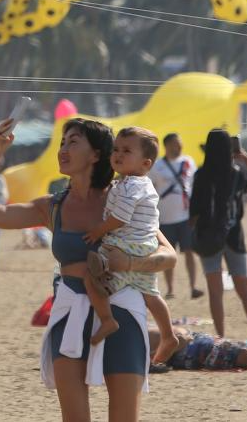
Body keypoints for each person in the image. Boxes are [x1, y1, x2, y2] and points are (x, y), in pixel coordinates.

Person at [0, 117, 178, 421]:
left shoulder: (123, 199)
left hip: (122, 311)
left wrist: (132, 263)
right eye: (62, 142)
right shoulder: (53, 206)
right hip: (69, 312)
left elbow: (168, 255)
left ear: (96, 154)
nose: (62, 149)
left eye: (72, 142)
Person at [84, 127, 178, 365]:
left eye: (127, 151)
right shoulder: (134, 183)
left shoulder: (131, 185)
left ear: (146, 163)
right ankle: (168, 335)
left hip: (126, 244)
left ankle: (107, 320)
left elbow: (120, 218)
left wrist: (98, 231)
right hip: (145, 246)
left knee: (91, 277)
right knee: (151, 294)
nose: (118, 154)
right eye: (116, 149)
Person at [190, 129, 247, 341]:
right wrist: (246, 159)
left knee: (215, 292)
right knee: (245, 291)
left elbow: (194, 210)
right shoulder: (236, 173)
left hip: (208, 236)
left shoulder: (201, 175)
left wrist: (194, 234)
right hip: (234, 236)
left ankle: (220, 337)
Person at [149, 133, 202, 300]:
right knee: (168, 255)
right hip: (164, 219)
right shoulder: (156, 166)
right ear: (166, 146)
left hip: (186, 218)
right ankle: (170, 289)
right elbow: (150, 189)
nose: (178, 147)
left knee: (189, 252)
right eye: (174, 144)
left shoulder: (188, 162)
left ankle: (193, 287)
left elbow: (195, 186)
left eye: (179, 143)